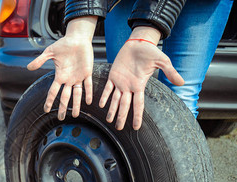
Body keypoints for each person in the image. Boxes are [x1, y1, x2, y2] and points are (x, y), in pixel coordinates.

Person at [27, 0, 233, 131]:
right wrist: (79, 30)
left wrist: (145, 34)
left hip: (203, 4)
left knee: (181, 96)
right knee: (122, 92)